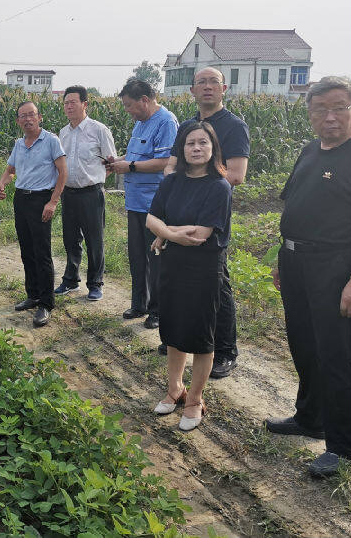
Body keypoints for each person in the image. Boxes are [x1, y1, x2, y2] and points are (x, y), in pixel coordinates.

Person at [266, 76, 351, 478]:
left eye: (339, 108)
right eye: (320, 110)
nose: (330, 117)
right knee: (303, 345)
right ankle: (310, 418)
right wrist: (281, 259)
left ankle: (343, 448)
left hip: (335, 267)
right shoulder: (309, 151)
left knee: (337, 356)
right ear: (310, 114)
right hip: (296, 262)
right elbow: (296, 207)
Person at [162, 67, 249, 376]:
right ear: (192, 91)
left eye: (214, 82)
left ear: (224, 88)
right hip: (179, 211)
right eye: (202, 82)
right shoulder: (187, 126)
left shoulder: (233, 126)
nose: (208, 87)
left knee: (217, 285)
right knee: (179, 279)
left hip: (211, 212)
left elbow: (237, 174)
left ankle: (224, 349)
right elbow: (171, 167)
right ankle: (179, 339)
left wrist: (200, 176)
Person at [147, 121, 232, 431]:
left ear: (213, 149)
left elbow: (199, 235)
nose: (196, 148)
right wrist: (164, 232)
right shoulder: (171, 182)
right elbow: (150, 218)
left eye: (203, 143)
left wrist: (164, 233)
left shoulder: (218, 186)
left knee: (199, 334)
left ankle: (195, 399)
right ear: (181, 149)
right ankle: (174, 388)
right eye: (190, 143)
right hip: (171, 264)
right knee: (173, 329)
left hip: (203, 269)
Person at [104, 79, 178, 327]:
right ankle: (140, 304)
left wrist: (130, 166)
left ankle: (157, 311)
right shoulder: (140, 123)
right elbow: (136, 155)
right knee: (136, 255)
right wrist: (118, 161)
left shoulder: (166, 122)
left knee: (155, 256)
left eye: (129, 105)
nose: (128, 111)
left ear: (144, 101)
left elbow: (165, 161)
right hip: (134, 202)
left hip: (153, 203)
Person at [0, 101, 68, 327]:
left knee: (42, 252)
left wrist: (53, 202)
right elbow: (10, 169)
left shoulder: (51, 141)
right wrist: (2, 183)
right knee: (27, 249)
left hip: (41, 200)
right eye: (22, 116)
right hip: (21, 199)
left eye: (31, 115)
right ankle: (33, 294)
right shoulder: (19, 144)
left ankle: (46, 303)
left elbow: (63, 171)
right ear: (18, 121)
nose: (27, 119)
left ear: (40, 117)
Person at [54, 86, 117, 301]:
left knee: (94, 240)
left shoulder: (99, 130)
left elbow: (111, 163)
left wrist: (94, 179)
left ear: (85, 104)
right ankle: (70, 280)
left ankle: (95, 283)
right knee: (71, 239)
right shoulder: (63, 133)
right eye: (66, 103)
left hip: (91, 194)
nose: (69, 106)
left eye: (73, 102)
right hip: (68, 193)